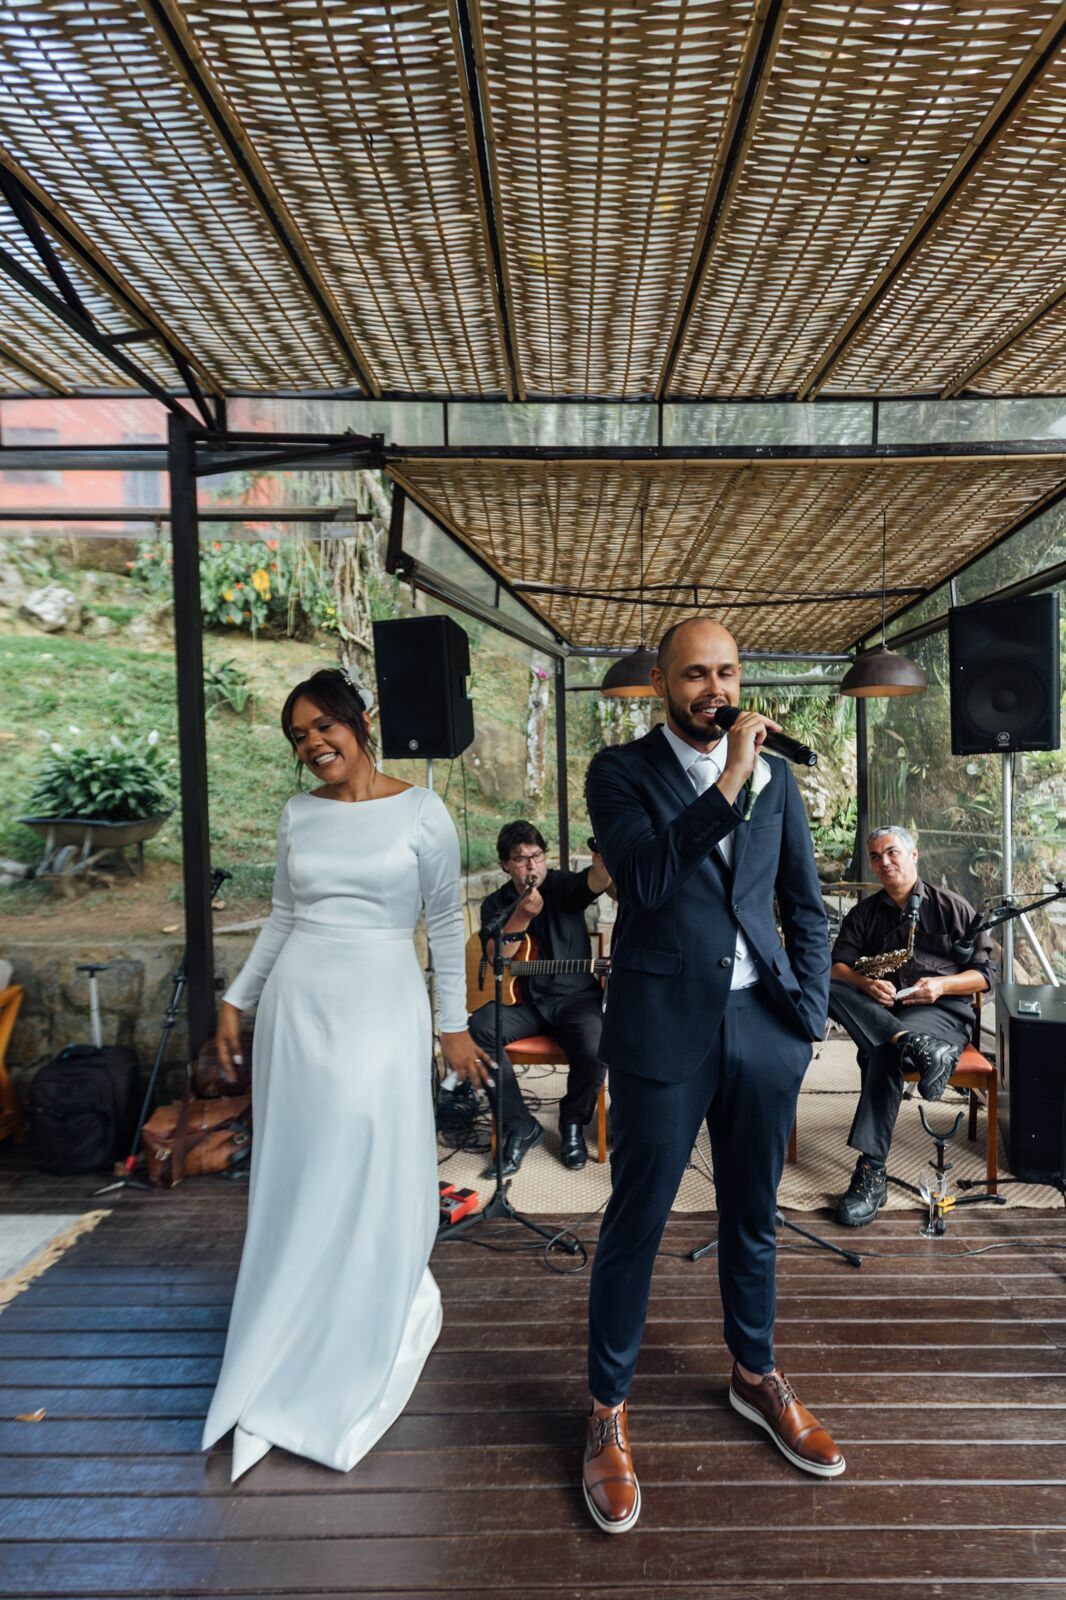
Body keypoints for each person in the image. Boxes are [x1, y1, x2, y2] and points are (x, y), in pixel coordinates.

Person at [581, 617, 843, 1536]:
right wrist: (730, 779)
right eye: (695, 674)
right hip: (660, 1027)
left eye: (727, 672)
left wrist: (805, 1018)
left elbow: (805, 905)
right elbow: (647, 882)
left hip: (762, 1026)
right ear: (662, 683)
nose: (715, 690)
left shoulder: (780, 779)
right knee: (637, 1221)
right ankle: (606, 1408)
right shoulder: (619, 772)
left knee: (754, 1214)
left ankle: (754, 1372)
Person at [201, 668, 492, 1481]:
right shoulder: (299, 814)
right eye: (299, 736)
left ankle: (361, 1306)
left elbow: (444, 922)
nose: (313, 744)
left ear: (361, 720)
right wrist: (236, 999)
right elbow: (284, 916)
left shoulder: (423, 811)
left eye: (323, 726)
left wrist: (453, 1027)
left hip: (382, 1005)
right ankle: (292, 1314)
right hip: (299, 1009)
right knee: (303, 1168)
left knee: (367, 1153)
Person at [829, 825, 993, 1228]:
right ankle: (909, 1042)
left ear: (913, 855)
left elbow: (986, 975)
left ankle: (872, 1171)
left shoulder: (952, 906)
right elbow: (836, 967)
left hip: (941, 1012)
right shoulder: (863, 914)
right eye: (875, 857)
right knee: (828, 987)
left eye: (892, 852)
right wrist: (865, 983)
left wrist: (941, 985)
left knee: (880, 1053)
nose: (883, 862)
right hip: (889, 1014)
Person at [469, 821, 612, 1174]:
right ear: (505, 864)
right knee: (478, 1029)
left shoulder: (562, 885)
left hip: (576, 999)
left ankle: (573, 1120)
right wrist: (521, 917)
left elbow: (593, 883)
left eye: (537, 856)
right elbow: (496, 958)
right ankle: (520, 1126)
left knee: (597, 1047)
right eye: (521, 859)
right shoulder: (496, 903)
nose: (532, 865)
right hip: (524, 1005)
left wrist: (603, 864)